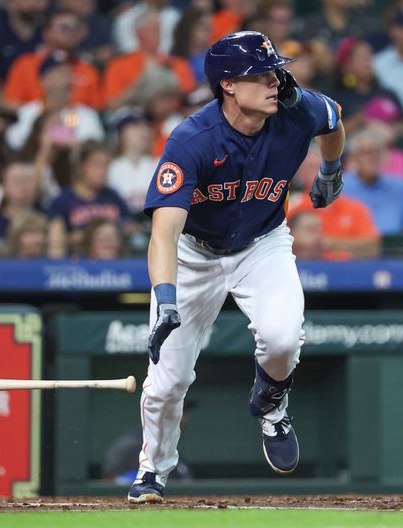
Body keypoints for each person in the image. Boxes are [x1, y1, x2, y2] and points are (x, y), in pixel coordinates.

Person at [128, 31, 345, 503]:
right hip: (193, 254)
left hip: (261, 243)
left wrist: (331, 169)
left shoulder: (294, 108)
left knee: (284, 336)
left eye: (276, 71)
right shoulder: (192, 139)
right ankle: (153, 472)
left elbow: (332, 121)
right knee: (167, 383)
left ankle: (271, 403)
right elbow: (163, 232)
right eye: (262, 75)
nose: (276, 81)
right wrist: (165, 297)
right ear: (228, 84)